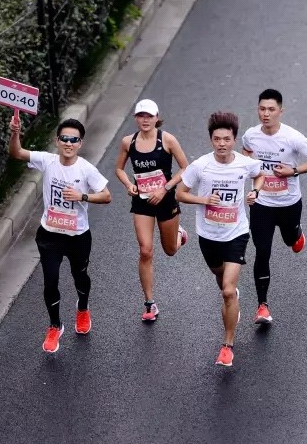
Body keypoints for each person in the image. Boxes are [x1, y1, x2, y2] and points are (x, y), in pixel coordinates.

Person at [10, 114, 111, 353]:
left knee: (80, 276)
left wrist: (82, 196)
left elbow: (106, 196)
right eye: (64, 138)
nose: (68, 143)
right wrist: (15, 133)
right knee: (51, 280)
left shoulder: (86, 170)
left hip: (78, 236)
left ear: (80, 144)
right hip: (50, 235)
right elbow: (17, 153)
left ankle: (83, 308)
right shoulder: (47, 161)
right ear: (57, 141)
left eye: (73, 140)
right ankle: (55, 325)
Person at [176, 111, 264, 367]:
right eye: (217, 139)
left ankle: (227, 345)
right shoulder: (200, 166)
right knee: (220, 278)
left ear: (234, 140)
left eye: (226, 139)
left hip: (236, 233)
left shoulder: (244, 164)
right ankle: (230, 294)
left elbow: (259, 175)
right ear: (211, 140)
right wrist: (204, 200)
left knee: (227, 291)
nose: (222, 144)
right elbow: (181, 194)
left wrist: (254, 192)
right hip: (208, 235)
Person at [241, 88, 307, 325]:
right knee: (263, 250)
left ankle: (296, 233)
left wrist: (293, 171)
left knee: (290, 241)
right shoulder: (251, 135)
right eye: (262, 109)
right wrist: (250, 169)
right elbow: (246, 151)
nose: (265, 114)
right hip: (262, 203)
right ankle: (262, 306)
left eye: (271, 109)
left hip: (289, 202)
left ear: (281, 111)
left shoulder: (292, 138)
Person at [114, 99, 190, 322]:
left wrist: (165, 188)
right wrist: (129, 185)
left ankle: (179, 236)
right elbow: (119, 168)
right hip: (142, 201)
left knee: (170, 250)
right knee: (145, 250)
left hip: (165, 200)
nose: (145, 120)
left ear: (157, 117)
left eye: (149, 116)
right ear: (136, 118)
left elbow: (186, 167)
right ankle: (149, 303)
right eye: (141, 116)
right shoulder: (128, 142)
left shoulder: (167, 140)